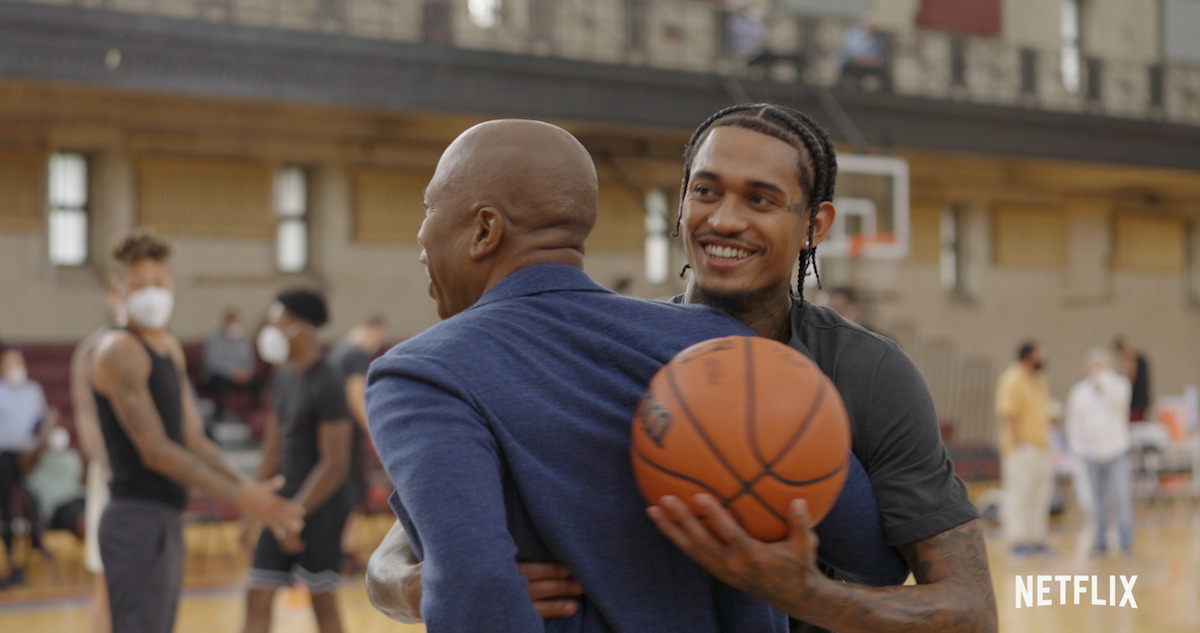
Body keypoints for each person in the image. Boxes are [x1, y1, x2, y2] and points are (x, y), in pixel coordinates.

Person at [367, 106, 995, 633]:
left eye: (760, 199)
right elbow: (440, 530)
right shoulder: (686, 342)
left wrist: (803, 592)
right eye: (706, 189)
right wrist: (396, 581)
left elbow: (958, 604)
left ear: (815, 225)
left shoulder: (866, 371)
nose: (724, 219)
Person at [91, 230, 305, 633]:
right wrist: (241, 496)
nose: (151, 293)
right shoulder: (118, 351)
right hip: (134, 517)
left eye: (158, 282)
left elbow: (193, 438)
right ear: (119, 290)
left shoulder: (168, 347)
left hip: (167, 514)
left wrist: (247, 489)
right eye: (138, 286)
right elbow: (156, 450)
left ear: (171, 283)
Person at [243, 289, 354, 633]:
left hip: (320, 505)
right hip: (282, 501)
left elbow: (334, 464)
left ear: (302, 326)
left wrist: (295, 515)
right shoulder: (282, 377)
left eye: (278, 322)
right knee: (256, 596)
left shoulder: (329, 379)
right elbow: (272, 450)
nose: (271, 331)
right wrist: (252, 510)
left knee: (322, 600)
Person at [70, 284, 126, 633]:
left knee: (151, 585)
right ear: (110, 295)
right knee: (106, 583)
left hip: (154, 479)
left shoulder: (163, 347)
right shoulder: (91, 350)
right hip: (114, 477)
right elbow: (87, 421)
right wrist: (114, 470)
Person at [327, 315, 387, 570]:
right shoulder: (356, 354)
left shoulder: (338, 349)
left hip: (330, 431)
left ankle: (339, 550)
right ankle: (345, 552)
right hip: (346, 433)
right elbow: (355, 394)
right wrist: (373, 432)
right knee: (353, 491)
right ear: (373, 330)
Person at [1065, 347, 1134, 555]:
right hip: (1091, 454)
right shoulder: (1079, 392)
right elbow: (1073, 422)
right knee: (1096, 500)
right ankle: (1101, 541)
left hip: (1116, 451)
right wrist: (1076, 447)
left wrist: (1105, 385)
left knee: (1122, 497)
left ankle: (1125, 542)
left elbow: (1120, 406)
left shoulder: (1120, 385)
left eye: (1102, 366)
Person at [995, 341, 1053, 556]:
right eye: (1040, 352)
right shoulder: (1012, 379)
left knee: (1040, 495)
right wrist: (1020, 445)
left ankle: (1037, 538)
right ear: (1029, 356)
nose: (1044, 356)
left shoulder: (1039, 380)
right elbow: (1008, 415)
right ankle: (1017, 539)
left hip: (1041, 446)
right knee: (1019, 495)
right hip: (1021, 448)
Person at [0, 344, 50, 587]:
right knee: (8, 506)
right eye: (10, 364)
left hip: (31, 456)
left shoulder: (33, 390)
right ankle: (9, 559)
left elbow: (41, 420)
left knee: (33, 500)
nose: (16, 369)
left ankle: (36, 543)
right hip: (5, 457)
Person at [25, 426, 87, 539]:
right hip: (59, 508)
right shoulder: (39, 462)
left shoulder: (72, 457)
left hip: (79, 498)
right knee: (82, 521)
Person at [203, 309, 261, 423]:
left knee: (257, 383)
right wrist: (232, 373)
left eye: (237, 322)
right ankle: (219, 416)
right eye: (232, 322)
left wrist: (246, 373)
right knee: (221, 382)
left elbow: (251, 363)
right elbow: (214, 362)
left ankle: (254, 415)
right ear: (226, 323)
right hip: (221, 375)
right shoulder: (215, 339)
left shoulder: (244, 341)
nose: (234, 326)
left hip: (241, 376)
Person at [838, 14, 887, 89]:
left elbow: (878, 55)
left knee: (884, 73)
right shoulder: (853, 34)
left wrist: (869, 60)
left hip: (868, 65)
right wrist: (860, 59)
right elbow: (849, 52)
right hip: (851, 63)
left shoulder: (878, 38)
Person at [1114, 337, 1151, 422]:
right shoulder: (1137, 359)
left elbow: (1129, 380)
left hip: (1137, 400)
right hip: (1138, 400)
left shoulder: (1133, 360)